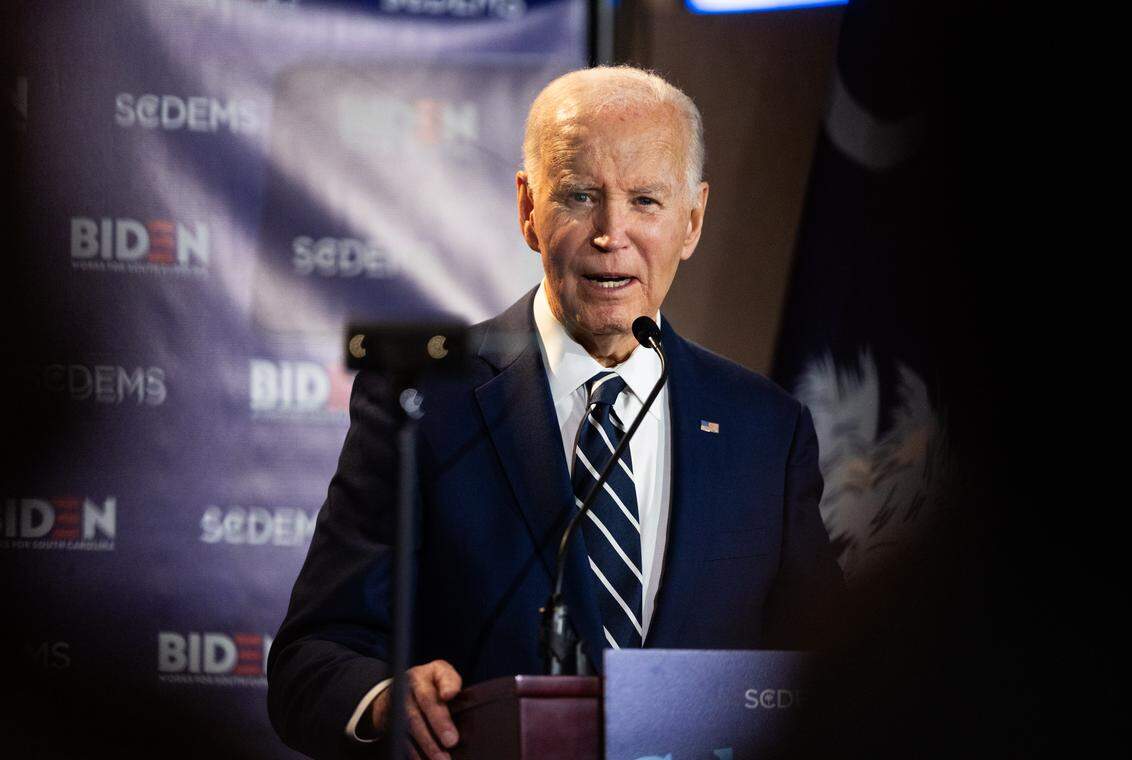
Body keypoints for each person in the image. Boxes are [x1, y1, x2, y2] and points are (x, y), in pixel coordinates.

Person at [267, 66, 843, 760]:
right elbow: (312, 657)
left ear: (692, 220)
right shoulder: (423, 402)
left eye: (646, 200)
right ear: (528, 209)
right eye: (579, 196)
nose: (611, 233)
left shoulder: (765, 430)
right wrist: (386, 698)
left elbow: (829, 677)